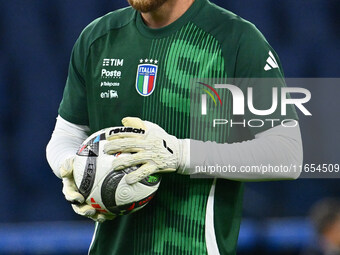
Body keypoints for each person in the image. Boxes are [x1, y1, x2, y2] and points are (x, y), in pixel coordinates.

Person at [46, 0, 303, 254]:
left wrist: (180, 155)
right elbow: (67, 133)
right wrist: (72, 167)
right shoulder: (97, 38)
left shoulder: (237, 40)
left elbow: (287, 155)